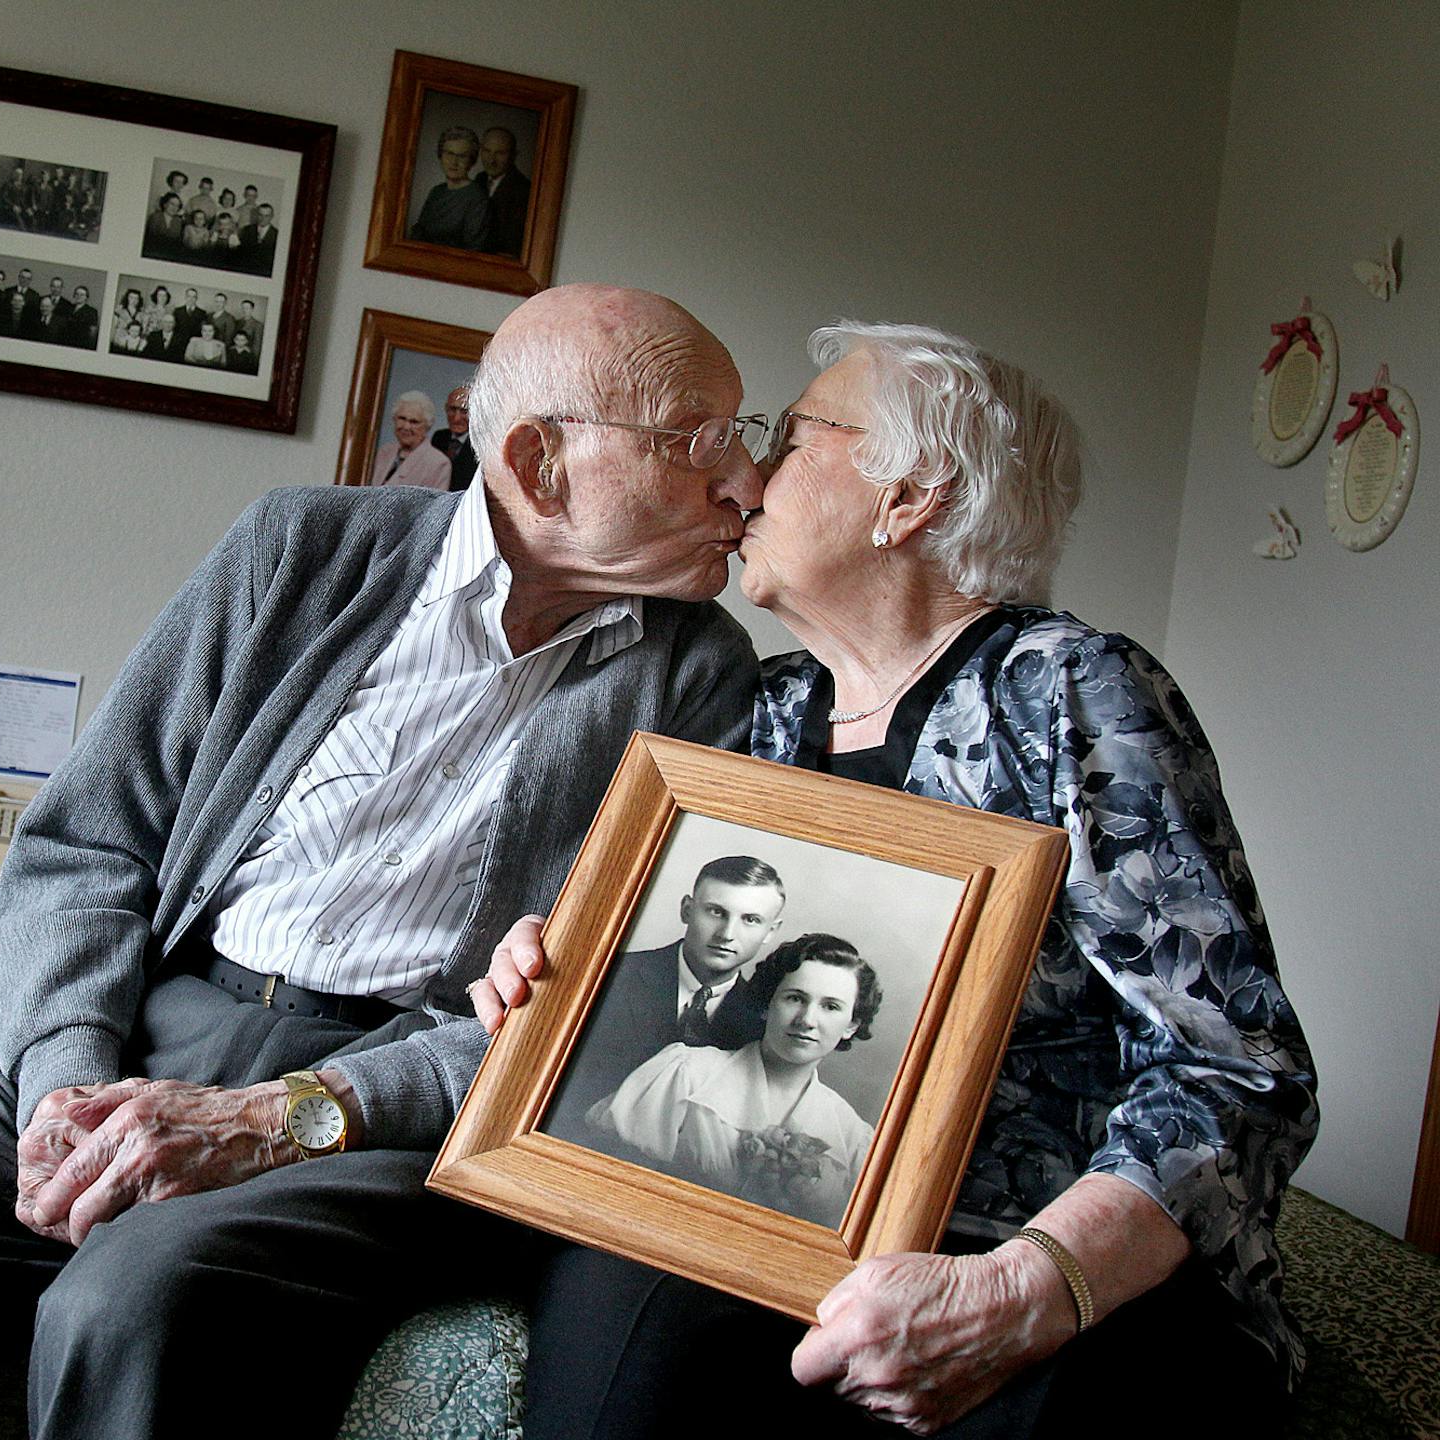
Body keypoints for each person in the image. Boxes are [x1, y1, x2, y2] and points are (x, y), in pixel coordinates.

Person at [0, 283, 770, 1440]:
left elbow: (595, 1011)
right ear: (537, 462)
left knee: (133, 1295)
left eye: (745, 436)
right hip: (145, 1032)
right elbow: (86, 844)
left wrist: (281, 1117)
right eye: (697, 438)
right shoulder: (306, 548)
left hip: (390, 1108)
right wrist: (66, 1087)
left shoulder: (703, 678)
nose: (745, 478)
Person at [474, 320, 1319, 1438]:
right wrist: (558, 978)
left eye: (791, 434)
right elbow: (701, 987)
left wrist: (1026, 1287)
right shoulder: (765, 709)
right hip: (773, 1213)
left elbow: (1238, 1069)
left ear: (910, 495)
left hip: (1030, 1240)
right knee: (620, 1342)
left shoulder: (1072, 692)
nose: (748, 474)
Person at [587, 934, 881, 1227]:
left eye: (830, 1007)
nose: (807, 1019)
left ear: (851, 1025)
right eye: (795, 998)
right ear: (767, 1004)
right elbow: (603, 1182)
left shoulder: (854, 1139)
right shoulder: (686, 1073)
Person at [544, 854, 787, 1143]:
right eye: (715, 912)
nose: (727, 934)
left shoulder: (763, 1026)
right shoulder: (609, 976)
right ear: (686, 909)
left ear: (771, 931)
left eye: (750, 919)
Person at [409, 126, 489, 250]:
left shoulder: (478, 198)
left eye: (462, 156)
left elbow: (474, 249)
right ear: (440, 156)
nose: (454, 162)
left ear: (472, 161)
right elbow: (419, 233)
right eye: (449, 154)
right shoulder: (436, 192)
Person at [370, 391, 455, 488]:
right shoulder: (384, 452)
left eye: (414, 422)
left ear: (427, 426)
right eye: (402, 418)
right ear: (394, 419)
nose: (406, 427)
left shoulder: (439, 464)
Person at [478, 126, 533, 256]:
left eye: (500, 153)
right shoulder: (478, 180)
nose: (491, 160)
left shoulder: (525, 191)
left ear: (514, 155)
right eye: (487, 151)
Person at [432, 385, 481, 492]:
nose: (456, 418)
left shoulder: (480, 446)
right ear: (446, 409)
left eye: (464, 411)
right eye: (452, 409)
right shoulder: (439, 437)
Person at [143, 191, 186, 257]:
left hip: (171, 254)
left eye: (177, 206)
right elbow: (151, 238)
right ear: (165, 204)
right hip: (154, 252)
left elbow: (177, 241)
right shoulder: (155, 217)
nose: (174, 208)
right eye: (172, 204)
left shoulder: (178, 221)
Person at [240, 202, 279, 274]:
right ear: (257, 215)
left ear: (272, 216)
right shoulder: (247, 230)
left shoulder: (277, 235)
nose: (263, 219)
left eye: (266, 216)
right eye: (260, 215)